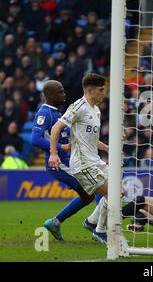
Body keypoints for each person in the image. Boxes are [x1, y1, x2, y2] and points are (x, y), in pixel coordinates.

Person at [49, 74, 124, 247]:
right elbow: (56, 128)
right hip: (83, 164)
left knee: (119, 191)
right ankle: (99, 230)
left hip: (95, 161)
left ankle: (92, 222)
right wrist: (54, 153)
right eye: (101, 89)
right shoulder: (78, 107)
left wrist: (106, 148)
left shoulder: (96, 110)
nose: (104, 93)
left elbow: (88, 138)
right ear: (90, 90)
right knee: (111, 194)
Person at [31, 80, 96, 242]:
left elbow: (67, 133)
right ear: (50, 95)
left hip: (69, 160)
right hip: (59, 162)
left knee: (88, 196)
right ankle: (98, 226)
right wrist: (62, 148)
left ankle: (55, 222)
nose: (64, 94)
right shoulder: (44, 113)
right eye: (60, 91)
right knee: (96, 185)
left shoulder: (57, 113)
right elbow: (35, 139)